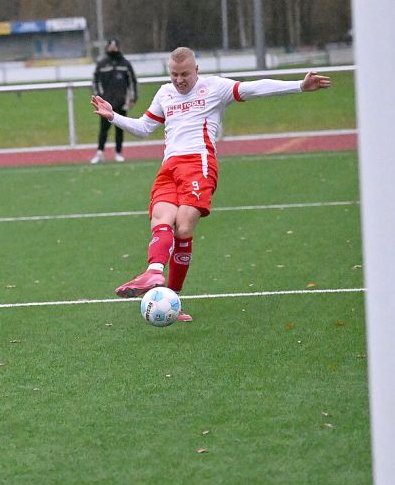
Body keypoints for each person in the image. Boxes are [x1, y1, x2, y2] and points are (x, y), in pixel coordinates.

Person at [91, 47, 331, 321]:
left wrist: (299, 86)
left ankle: (173, 297)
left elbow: (255, 88)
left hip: (198, 163)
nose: (179, 80)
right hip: (169, 166)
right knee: (160, 218)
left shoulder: (214, 87)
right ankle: (154, 271)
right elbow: (145, 128)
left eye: (184, 74)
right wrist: (113, 117)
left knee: (182, 227)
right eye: (174, 75)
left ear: (197, 70)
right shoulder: (164, 93)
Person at [90, 39, 137, 164]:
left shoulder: (125, 64)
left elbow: (132, 81)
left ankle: (118, 152)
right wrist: (99, 97)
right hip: (106, 103)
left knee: (120, 128)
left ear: (118, 47)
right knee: (104, 129)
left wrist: (133, 98)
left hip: (121, 101)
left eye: (114, 46)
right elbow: (95, 82)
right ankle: (100, 152)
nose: (112, 48)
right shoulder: (102, 64)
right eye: (110, 46)